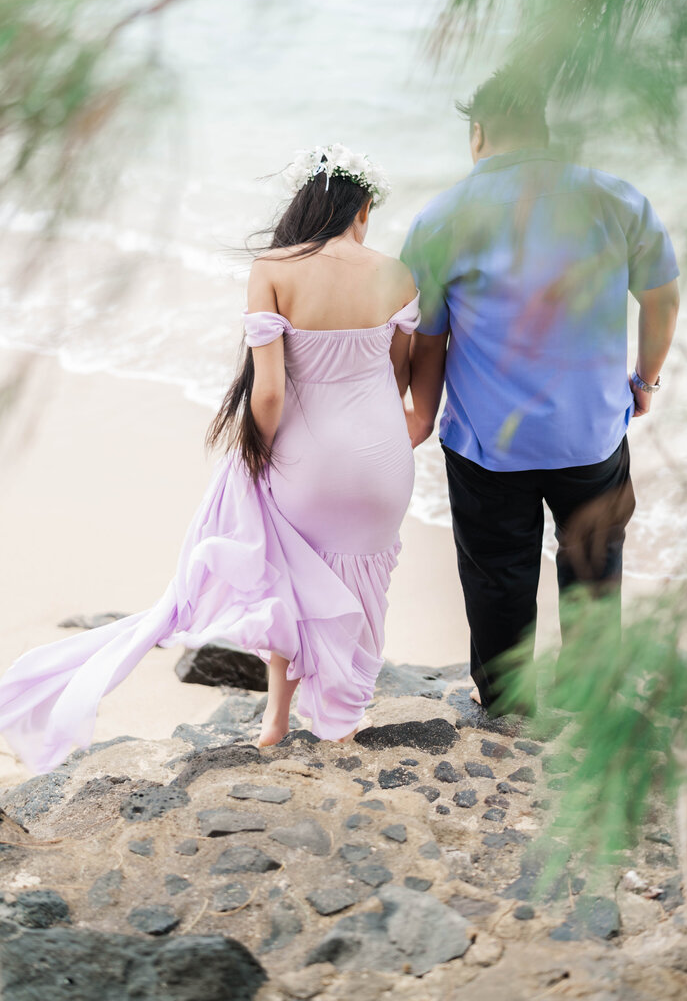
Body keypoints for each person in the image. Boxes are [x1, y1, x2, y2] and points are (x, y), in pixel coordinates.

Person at [0, 144, 419, 773]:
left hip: (308, 458)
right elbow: (399, 379)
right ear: (362, 208)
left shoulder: (273, 268)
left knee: (289, 576)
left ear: (307, 206)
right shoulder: (397, 273)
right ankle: (343, 720)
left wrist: (256, 454)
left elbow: (270, 389)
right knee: (364, 583)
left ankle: (277, 721)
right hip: (384, 460)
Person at [402, 71, 680, 711]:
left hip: (487, 443)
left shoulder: (442, 217)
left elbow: (426, 338)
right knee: (593, 567)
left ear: (478, 134)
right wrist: (644, 380)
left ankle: (506, 707)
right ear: (547, 128)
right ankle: (588, 700)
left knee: (497, 575)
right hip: (591, 433)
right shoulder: (616, 199)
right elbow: (661, 297)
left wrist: (417, 416)